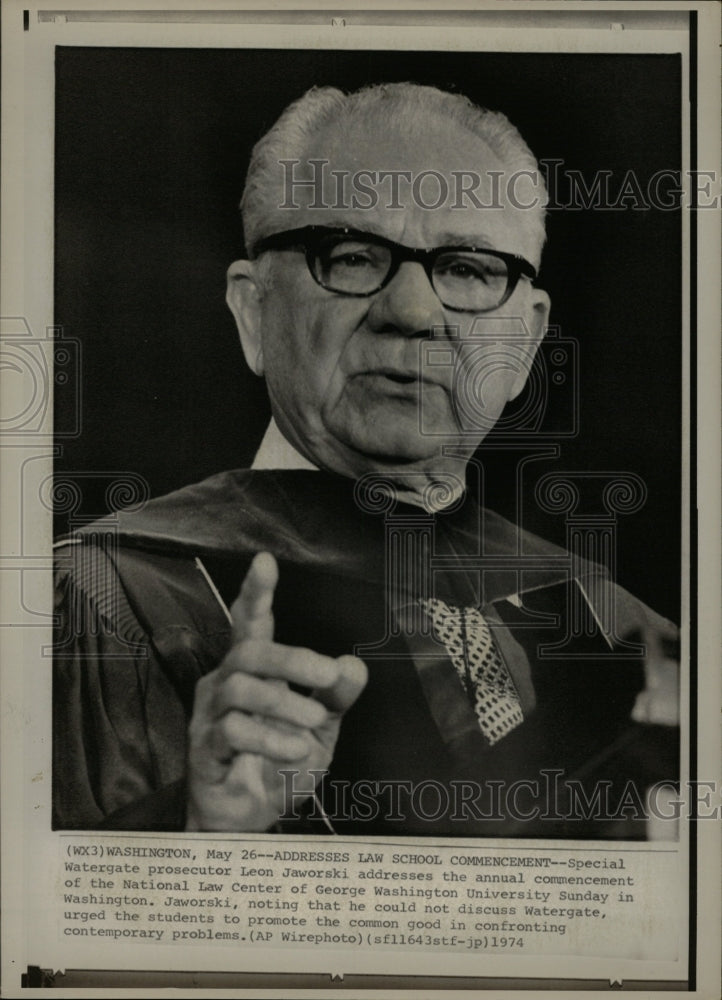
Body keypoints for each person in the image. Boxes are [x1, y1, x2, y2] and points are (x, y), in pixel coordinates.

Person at [53, 82, 679, 837]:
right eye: (351, 257)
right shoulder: (107, 602)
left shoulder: (623, 632)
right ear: (254, 313)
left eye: (470, 269)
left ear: (525, 343)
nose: (413, 313)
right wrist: (198, 834)